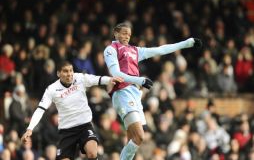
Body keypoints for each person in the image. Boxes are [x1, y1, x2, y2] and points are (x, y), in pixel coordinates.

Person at [103, 22, 202, 160]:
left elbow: (161, 50)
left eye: (129, 34)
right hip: (123, 92)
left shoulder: (135, 50)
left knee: (131, 139)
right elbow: (116, 73)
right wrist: (139, 80)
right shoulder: (111, 49)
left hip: (135, 94)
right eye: (124, 33)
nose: (127, 37)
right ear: (115, 33)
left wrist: (187, 43)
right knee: (140, 136)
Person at [21, 61, 123, 160]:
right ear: (58, 73)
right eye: (65, 71)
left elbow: (97, 79)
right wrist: (30, 129)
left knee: (92, 152)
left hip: (84, 125)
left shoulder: (79, 78)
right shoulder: (51, 89)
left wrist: (110, 79)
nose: (69, 74)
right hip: (66, 130)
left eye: (71, 70)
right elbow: (40, 109)